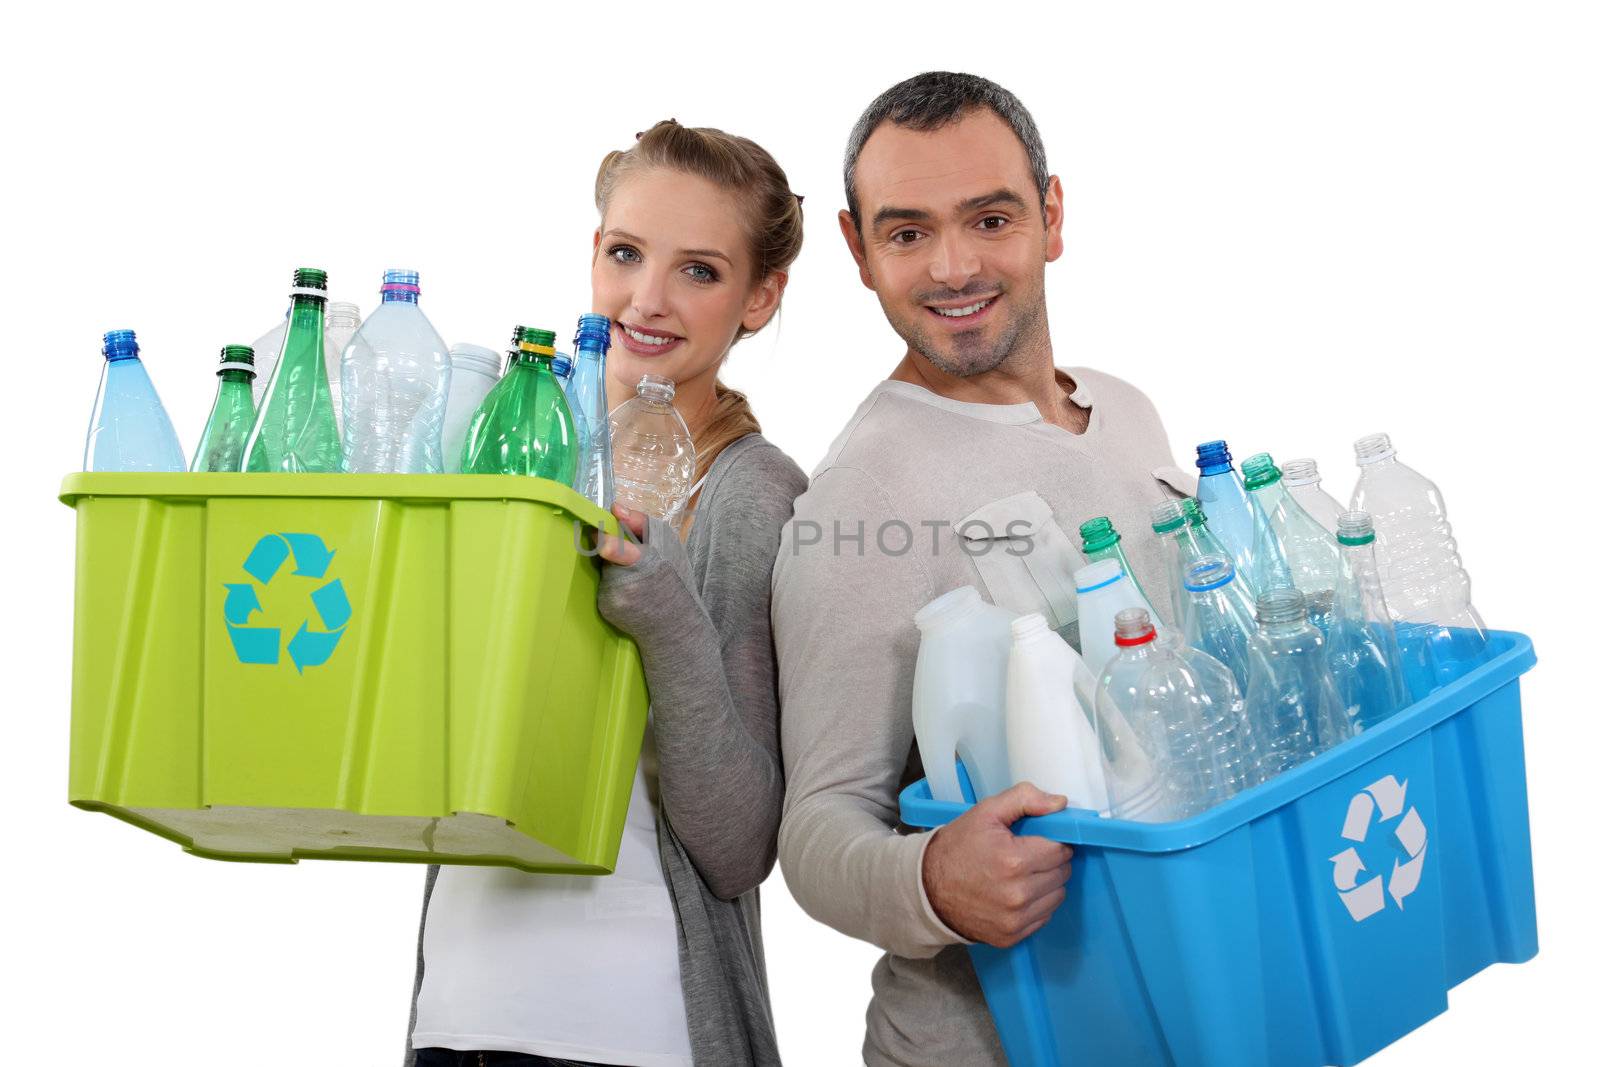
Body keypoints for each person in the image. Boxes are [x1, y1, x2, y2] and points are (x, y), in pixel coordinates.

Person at [772, 72, 1197, 1066]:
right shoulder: (860, 495)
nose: (951, 266)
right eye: (907, 231)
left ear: (1050, 216)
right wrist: (931, 880)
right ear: (857, 250)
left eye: (989, 218)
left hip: (1168, 1007)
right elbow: (817, 832)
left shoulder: (1125, 407)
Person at [407, 119, 808, 1067]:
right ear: (595, 251)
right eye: (626, 253)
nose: (648, 300)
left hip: (640, 1029)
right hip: (458, 1015)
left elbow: (741, 843)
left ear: (761, 296)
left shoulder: (753, 493)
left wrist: (668, 619)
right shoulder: (505, 455)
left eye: (700, 271)